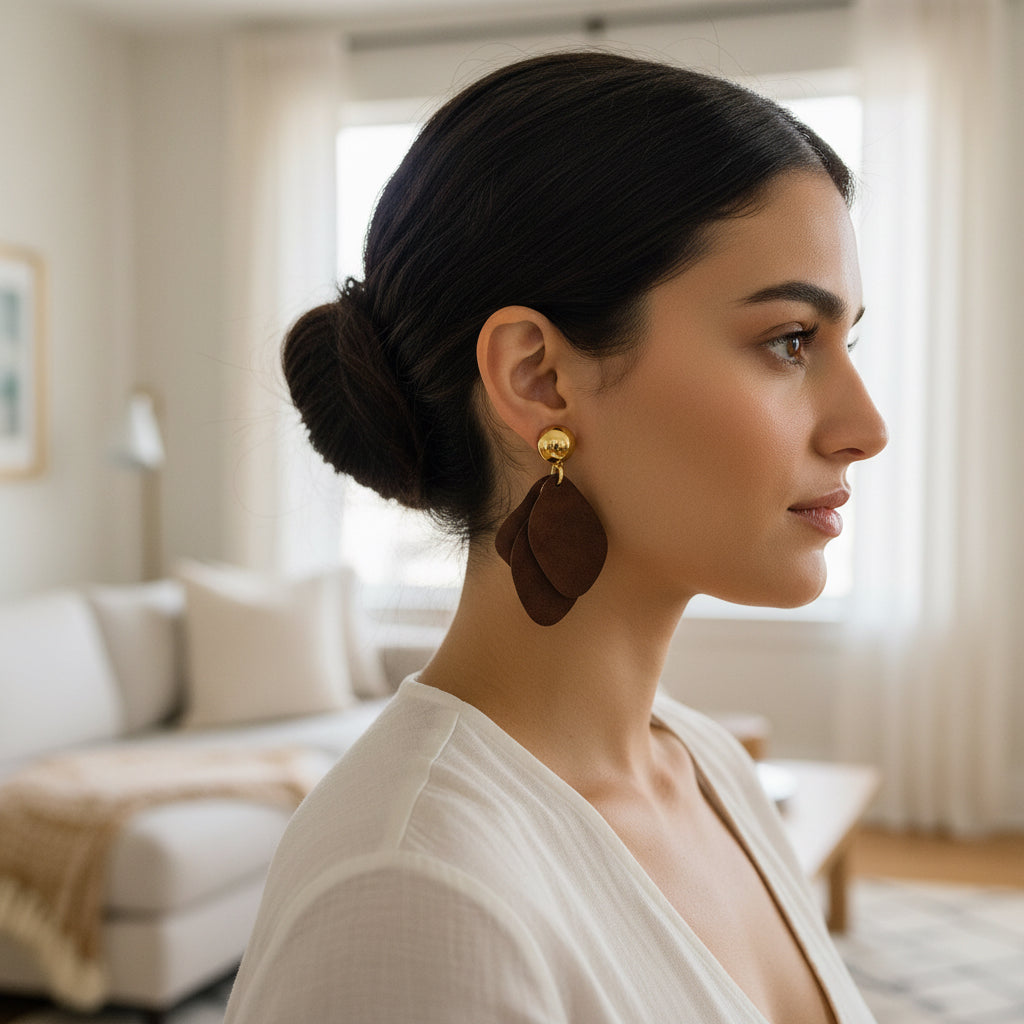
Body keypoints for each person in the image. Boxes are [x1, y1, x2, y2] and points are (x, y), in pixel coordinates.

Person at [224, 50, 887, 1023]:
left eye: (846, 343)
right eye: (789, 339)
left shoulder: (707, 766)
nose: (864, 425)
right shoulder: (413, 889)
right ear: (537, 378)